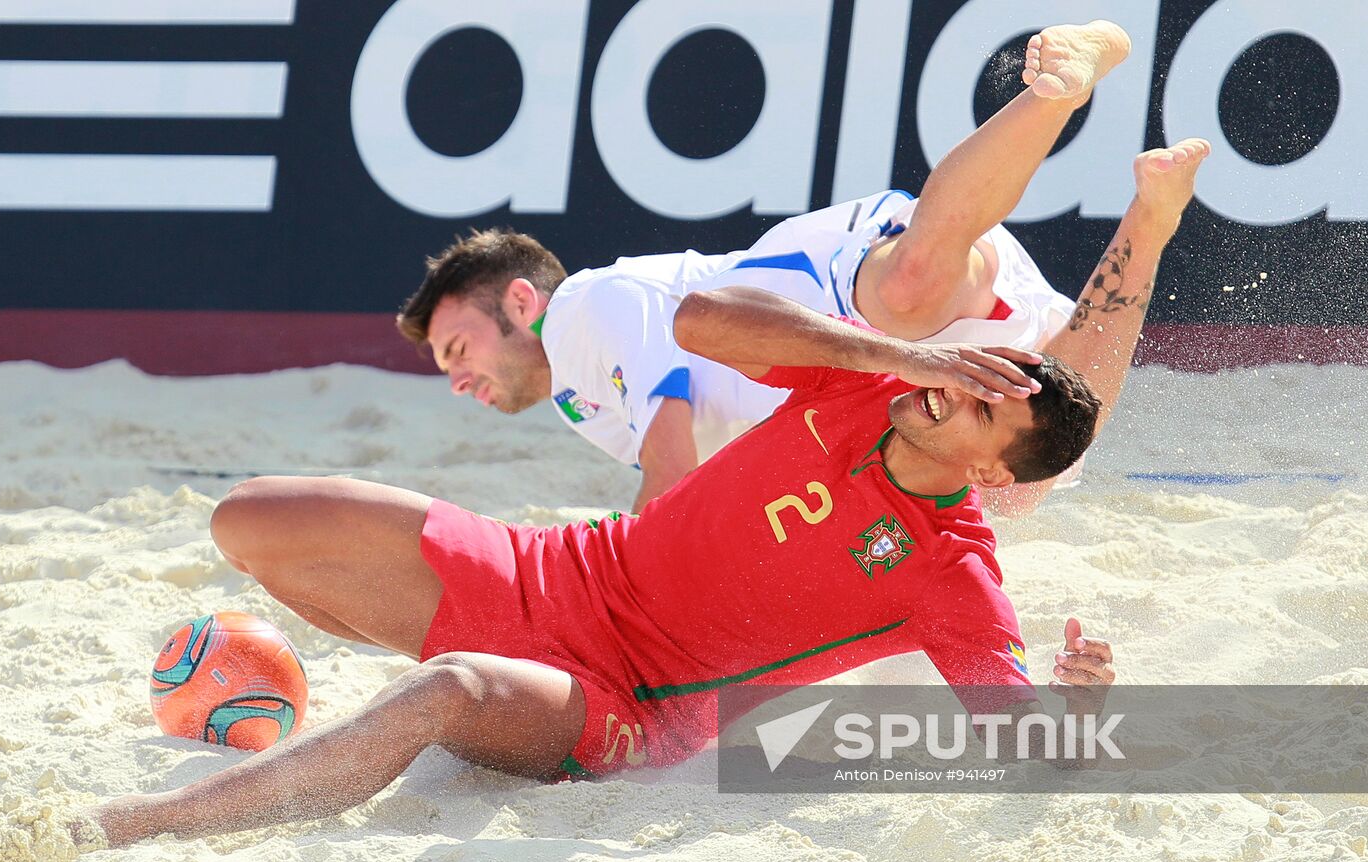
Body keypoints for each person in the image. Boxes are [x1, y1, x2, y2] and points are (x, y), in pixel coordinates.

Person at [84, 287, 1113, 848]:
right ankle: (389, 726)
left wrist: (1073, 713)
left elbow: (1021, 740)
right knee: (249, 519)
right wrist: (899, 356)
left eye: (979, 405)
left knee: (445, 692)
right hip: (559, 571)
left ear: (989, 470)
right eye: (973, 372)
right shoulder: (868, 383)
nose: (951, 392)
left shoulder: (951, 568)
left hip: (630, 700)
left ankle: (154, 821)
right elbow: (698, 320)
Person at [397, 21, 1174, 514]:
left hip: (819, 290)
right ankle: (1154, 216)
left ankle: (1055, 89)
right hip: (862, 379)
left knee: (909, 290)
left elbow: (671, 464)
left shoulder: (582, 310)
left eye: (458, 349)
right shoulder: (580, 406)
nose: (457, 380)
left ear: (523, 299)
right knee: (1038, 452)